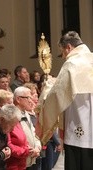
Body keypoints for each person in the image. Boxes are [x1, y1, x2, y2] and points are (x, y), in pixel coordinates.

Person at [40, 31, 93, 170]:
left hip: (78, 127)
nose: (63, 55)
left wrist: (46, 90)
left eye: (62, 51)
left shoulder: (72, 63)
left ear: (68, 47)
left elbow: (57, 95)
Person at [13, 86, 41, 170]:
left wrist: (37, 147)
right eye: (28, 97)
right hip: (19, 160)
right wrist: (27, 150)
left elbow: (34, 133)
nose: (30, 100)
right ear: (18, 99)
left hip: (32, 157)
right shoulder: (13, 116)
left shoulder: (26, 113)